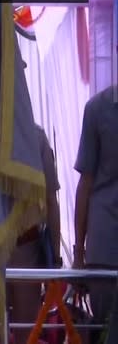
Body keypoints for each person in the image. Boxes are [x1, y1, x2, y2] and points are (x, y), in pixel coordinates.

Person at [6, 124, 62, 344]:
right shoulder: (35, 136)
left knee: (20, 330)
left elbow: (51, 200)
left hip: (22, 246)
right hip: (11, 246)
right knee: (23, 332)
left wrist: (55, 257)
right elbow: (51, 201)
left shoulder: (36, 137)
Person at [73, 85, 118, 342]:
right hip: (106, 247)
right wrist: (78, 254)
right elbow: (86, 183)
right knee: (105, 331)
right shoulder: (97, 109)